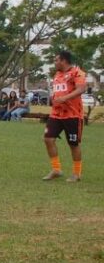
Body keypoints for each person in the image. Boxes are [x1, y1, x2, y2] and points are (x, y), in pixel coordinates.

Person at [42, 51, 87, 182]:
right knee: (48, 139)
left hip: (73, 115)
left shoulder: (77, 73)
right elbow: (59, 91)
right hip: (56, 114)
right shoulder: (57, 75)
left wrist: (64, 98)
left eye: (56, 60)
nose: (54, 63)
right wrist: (54, 98)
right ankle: (56, 169)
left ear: (64, 61)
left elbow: (81, 89)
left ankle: (77, 173)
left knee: (73, 144)